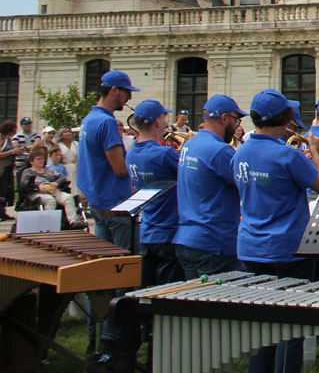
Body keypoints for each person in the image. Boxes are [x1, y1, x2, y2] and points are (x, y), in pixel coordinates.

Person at [232, 89, 319, 373]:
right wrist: (314, 151)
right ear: (284, 118)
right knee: (291, 328)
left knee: (262, 326)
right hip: (287, 249)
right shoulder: (287, 154)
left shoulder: (240, 152)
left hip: (252, 247)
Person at [78, 70, 138, 364]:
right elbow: (119, 169)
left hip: (98, 205)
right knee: (122, 277)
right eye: (126, 93)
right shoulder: (106, 122)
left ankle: (96, 340)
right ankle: (114, 343)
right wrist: (137, 149)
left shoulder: (89, 119)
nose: (127, 99)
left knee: (102, 280)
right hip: (116, 207)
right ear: (114, 90)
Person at [175, 94, 246, 277]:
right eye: (236, 121)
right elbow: (248, 186)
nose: (236, 126)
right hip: (213, 242)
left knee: (194, 295)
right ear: (224, 118)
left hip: (186, 238)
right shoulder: (220, 150)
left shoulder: (190, 145)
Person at [125, 100, 183, 284]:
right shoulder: (165, 154)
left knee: (147, 288)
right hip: (169, 231)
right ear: (157, 121)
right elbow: (190, 176)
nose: (166, 123)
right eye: (164, 118)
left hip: (147, 230)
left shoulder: (131, 154)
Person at [19, 146, 84, 226]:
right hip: (37, 192)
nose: (41, 161)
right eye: (38, 159)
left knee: (68, 198)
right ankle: (49, 224)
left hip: (53, 191)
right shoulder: (28, 172)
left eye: (42, 159)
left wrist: (56, 183)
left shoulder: (48, 170)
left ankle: (73, 221)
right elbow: (23, 184)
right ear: (31, 162)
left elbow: (62, 177)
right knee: (50, 200)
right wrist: (37, 187)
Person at [0, 120, 17, 217]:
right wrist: (12, 152)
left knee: (5, 190)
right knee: (1, 189)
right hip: (2, 167)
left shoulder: (9, 139)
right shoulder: (1, 139)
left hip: (8, 168)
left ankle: (3, 211)